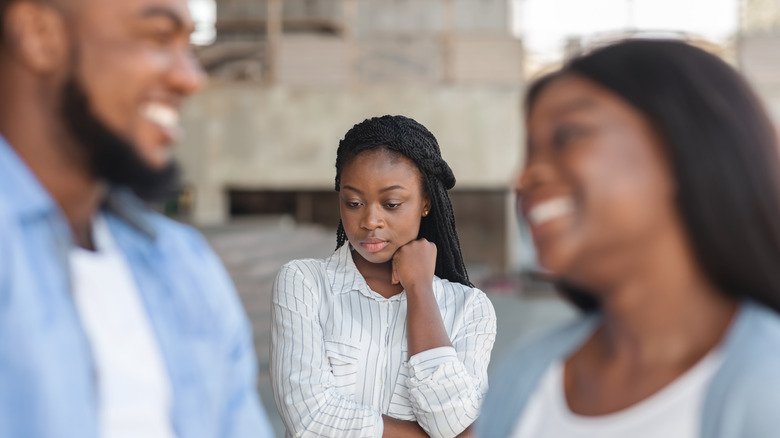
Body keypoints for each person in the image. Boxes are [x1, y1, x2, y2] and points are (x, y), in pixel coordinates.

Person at [477, 39, 780, 438]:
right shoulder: (524, 376)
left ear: (681, 148)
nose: (524, 176)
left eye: (567, 136)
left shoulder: (766, 388)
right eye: (531, 150)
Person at [0, 0, 272, 436]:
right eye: (159, 37)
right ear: (38, 36)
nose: (191, 78)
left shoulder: (185, 266)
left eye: (189, 48)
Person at [270, 115, 497, 438]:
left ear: (425, 202)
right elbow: (310, 419)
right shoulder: (304, 283)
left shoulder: (470, 308)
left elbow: (457, 422)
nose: (370, 220)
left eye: (391, 204)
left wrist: (420, 290)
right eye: (354, 203)